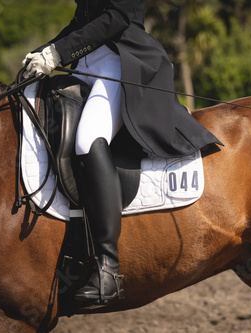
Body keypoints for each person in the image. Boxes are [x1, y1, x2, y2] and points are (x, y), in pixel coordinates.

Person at [22, 0, 221, 308]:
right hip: (84, 66)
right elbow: (82, 21)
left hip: (121, 63)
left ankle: (108, 269)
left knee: (88, 141)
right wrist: (44, 52)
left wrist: (57, 53)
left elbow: (117, 17)